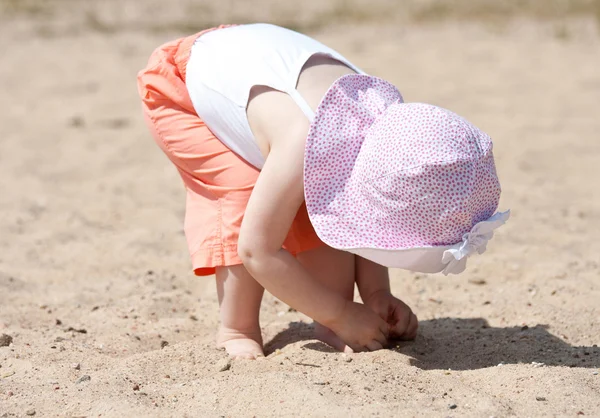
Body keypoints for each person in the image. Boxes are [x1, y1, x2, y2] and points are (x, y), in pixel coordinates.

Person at [137, 23, 509, 359]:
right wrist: (341, 312)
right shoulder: (300, 140)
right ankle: (237, 327)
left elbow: (364, 218)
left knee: (323, 203)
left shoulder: (389, 131)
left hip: (256, 66)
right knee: (245, 193)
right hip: (183, 86)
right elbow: (257, 250)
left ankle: (330, 322)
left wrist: (376, 295)